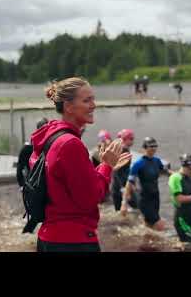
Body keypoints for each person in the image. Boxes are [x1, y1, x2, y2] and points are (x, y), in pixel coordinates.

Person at [31, 77, 131, 252]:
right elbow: (91, 198)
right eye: (87, 100)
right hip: (73, 241)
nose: (94, 105)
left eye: (93, 98)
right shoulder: (70, 144)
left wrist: (102, 167)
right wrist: (106, 166)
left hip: (48, 237)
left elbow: (66, 185)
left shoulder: (50, 136)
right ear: (68, 106)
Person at [122, 136, 172, 231]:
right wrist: (124, 203)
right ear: (145, 147)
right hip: (144, 198)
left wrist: (178, 175)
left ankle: (145, 238)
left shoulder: (157, 161)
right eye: (151, 146)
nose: (153, 148)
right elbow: (129, 183)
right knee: (159, 224)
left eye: (155, 146)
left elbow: (165, 171)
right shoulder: (138, 164)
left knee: (149, 224)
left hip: (155, 197)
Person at [16, 118, 48, 189]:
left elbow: (19, 167)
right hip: (36, 182)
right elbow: (20, 167)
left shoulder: (27, 148)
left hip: (37, 182)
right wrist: (22, 184)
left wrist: (22, 185)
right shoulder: (28, 148)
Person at [113, 129, 138, 212]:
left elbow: (123, 171)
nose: (133, 141)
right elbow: (118, 171)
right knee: (137, 207)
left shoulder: (122, 149)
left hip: (118, 186)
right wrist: (123, 188)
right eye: (131, 139)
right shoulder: (123, 151)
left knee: (119, 211)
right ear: (124, 139)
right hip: (120, 186)